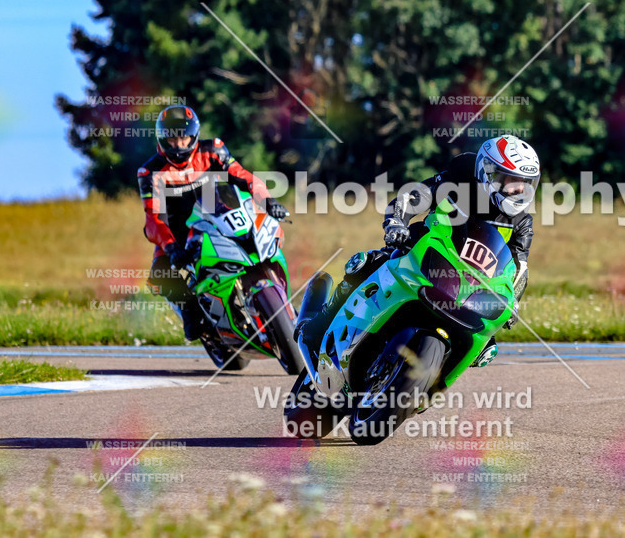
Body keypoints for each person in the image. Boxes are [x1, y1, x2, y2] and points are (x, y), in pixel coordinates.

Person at [298, 134, 539, 365]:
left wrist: (512, 302)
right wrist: (396, 223)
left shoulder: (522, 223)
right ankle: (318, 325)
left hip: (469, 287)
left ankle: (429, 383)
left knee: (486, 346)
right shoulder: (458, 181)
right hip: (423, 253)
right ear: (488, 173)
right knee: (368, 263)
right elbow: (414, 197)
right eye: (511, 181)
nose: (520, 191)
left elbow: (518, 269)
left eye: (526, 184)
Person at [138, 105, 289, 341]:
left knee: (258, 240)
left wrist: (268, 201)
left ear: (194, 135)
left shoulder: (213, 150)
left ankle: (277, 298)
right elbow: (153, 218)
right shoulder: (149, 171)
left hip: (218, 218)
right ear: (162, 139)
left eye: (184, 137)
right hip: (177, 235)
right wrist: (170, 247)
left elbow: (244, 176)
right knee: (160, 274)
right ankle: (194, 314)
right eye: (173, 139)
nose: (179, 144)